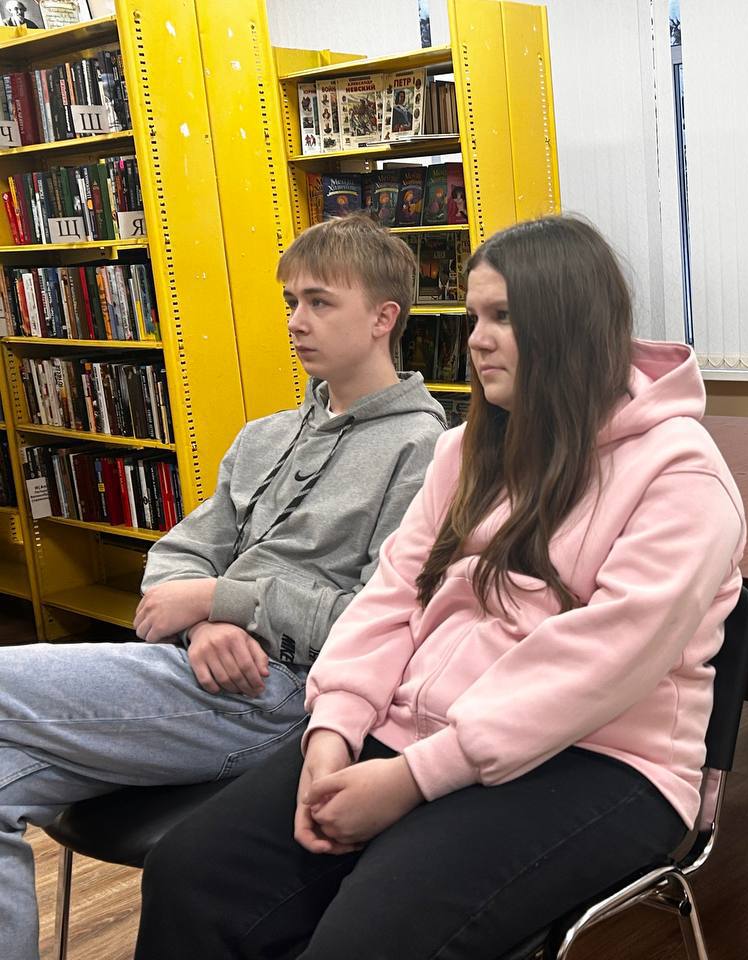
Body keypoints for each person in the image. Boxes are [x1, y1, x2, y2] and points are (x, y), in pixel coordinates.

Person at [134, 215, 747, 960]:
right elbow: (390, 597)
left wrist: (412, 780)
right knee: (190, 873)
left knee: (366, 941)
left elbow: (601, 663)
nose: (477, 340)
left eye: (504, 316)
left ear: (571, 324)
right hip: (417, 729)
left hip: (603, 757)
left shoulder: (681, 475)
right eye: (473, 317)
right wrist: (332, 732)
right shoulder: (464, 451)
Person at [0, 213, 445, 960]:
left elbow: (381, 624)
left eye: (320, 302)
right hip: (203, 668)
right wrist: (205, 625)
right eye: (291, 302)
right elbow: (179, 554)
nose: (296, 321)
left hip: (288, 694)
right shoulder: (264, 435)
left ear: (382, 318)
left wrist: (218, 601)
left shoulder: (425, 451)